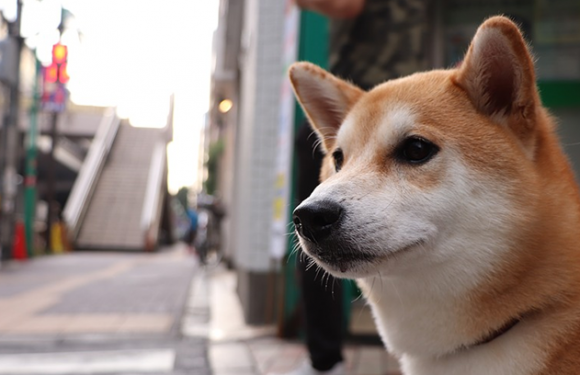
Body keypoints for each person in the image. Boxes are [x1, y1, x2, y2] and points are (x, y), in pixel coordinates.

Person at [280, 0, 432, 374]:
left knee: (324, 234)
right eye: (339, 161)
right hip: (401, 88)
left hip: (372, 92)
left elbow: (344, 5)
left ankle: (325, 360)